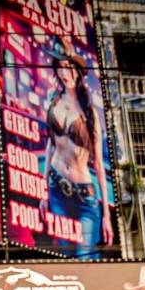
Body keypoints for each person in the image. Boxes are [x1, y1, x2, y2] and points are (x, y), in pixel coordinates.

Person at [39, 42, 113, 258]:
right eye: (60, 67)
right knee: (64, 256)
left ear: (78, 71)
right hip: (56, 188)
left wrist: (107, 216)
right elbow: (51, 145)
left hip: (85, 197)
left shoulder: (89, 112)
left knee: (84, 256)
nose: (64, 73)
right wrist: (43, 192)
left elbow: (98, 164)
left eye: (69, 67)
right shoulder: (53, 100)